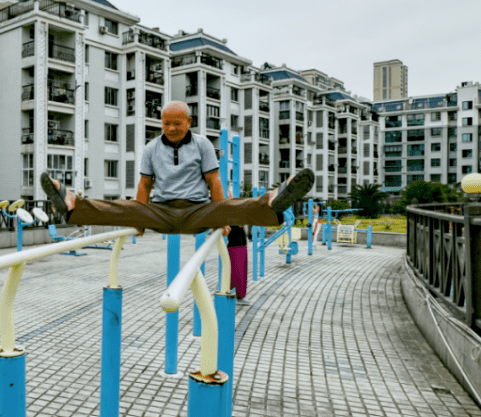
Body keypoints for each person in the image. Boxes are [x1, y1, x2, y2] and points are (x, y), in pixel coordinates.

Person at [40, 101, 314, 235]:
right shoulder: (150, 148)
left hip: (197, 210)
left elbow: (214, 182)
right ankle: (71, 203)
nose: (171, 128)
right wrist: (139, 221)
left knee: (228, 205)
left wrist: (221, 219)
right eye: (166, 123)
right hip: (161, 211)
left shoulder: (203, 144)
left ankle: (274, 199)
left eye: (177, 123)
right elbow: (144, 186)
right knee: (126, 207)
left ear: (188, 121)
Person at [226, 224, 249, 304]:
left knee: (242, 272)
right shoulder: (230, 217)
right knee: (237, 272)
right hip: (234, 245)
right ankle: (225, 287)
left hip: (241, 244)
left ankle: (240, 295)